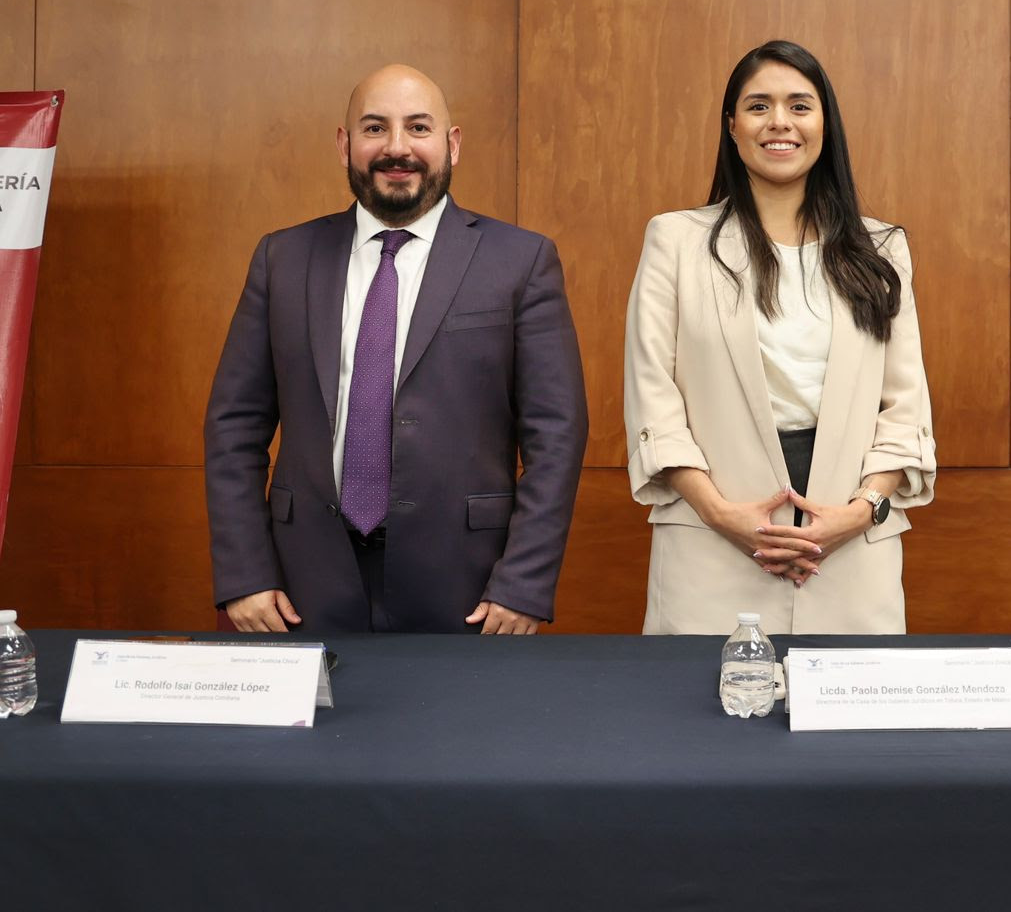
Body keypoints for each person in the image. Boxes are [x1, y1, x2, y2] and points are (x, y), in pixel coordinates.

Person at [205, 64, 587, 634]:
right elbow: (234, 426)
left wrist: (523, 584)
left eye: (419, 127)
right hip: (300, 585)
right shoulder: (282, 259)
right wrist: (246, 574)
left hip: (468, 588)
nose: (397, 148)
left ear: (452, 143)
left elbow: (555, 434)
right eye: (375, 128)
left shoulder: (520, 261)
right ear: (345, 144)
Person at [624, 40, 935, 634]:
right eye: (759, 106)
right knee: (708, 694)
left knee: (850, 695)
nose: (780, 122)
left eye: (799, 105)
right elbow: (652, 395)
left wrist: (859, 512)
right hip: (712, 544)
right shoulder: (676, 241)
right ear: (732, 126)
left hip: (850, 549)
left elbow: (905, 406)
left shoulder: (881, 249)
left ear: (825, 124)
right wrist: (722, 515)